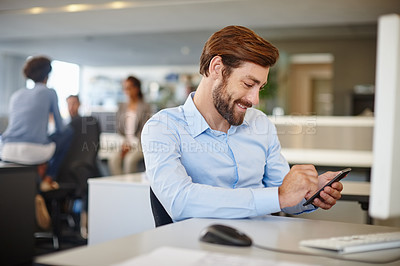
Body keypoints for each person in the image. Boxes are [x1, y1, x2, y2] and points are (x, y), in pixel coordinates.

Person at [141, 26, 343, 222]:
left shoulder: (260, 124)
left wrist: (309, 193)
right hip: (201, 245)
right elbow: (179, 202)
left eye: (260, 88)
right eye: (248, 84)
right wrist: (279, 196)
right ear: (217, 68)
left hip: (262, 244)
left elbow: (285, 199)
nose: (255, 100)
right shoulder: (163, 128)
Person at [1, 56, 74, 228]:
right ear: (47, 74)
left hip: (7, 150)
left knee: (32, 158)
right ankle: (48, 179)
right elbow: (60, 127)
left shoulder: (17, 94)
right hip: (33, 151)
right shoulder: (49, 92)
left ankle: (35, 191)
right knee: (68, 133)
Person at [108, 76, 151, 175]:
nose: (126, 91)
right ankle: (119, 187)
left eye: (129, 87)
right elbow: (119, 129)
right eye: (125, 88)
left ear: (137, 88)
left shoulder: (145, 107)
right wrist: (125, 144)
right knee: (113, 160)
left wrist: (131, 145)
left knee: (129, 161)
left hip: (139, 144)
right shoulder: (122, 106)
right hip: (124, 143)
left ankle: (129, 188)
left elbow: (145, 130)